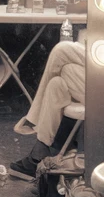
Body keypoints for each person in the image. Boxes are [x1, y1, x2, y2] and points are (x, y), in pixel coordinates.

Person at [10, 39, 86, 180]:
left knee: (62, 49)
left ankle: (33, 120)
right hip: (103, 67)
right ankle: (42, 149)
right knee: (56, 84)